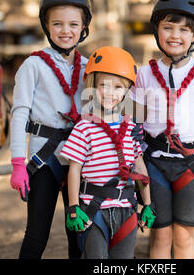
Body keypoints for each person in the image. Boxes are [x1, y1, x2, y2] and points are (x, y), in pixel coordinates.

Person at [130, 0, 194, 259]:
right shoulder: (144, 74)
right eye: (168, 27)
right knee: (160, 235)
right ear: (156, 30)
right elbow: (134, 123)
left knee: (184, 237)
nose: (175, 35)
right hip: (154, 164)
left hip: (191, 165)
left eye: (184, 29)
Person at [9, 0, 92, 259]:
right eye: (57, 24)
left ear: (83, 27)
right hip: (43, 161)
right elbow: (20, 112)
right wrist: (18, 163)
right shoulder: (33, 66)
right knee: (36, 235)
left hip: (79, 161)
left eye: (73, 24)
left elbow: (107, 107)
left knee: (79, 235)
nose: (65, 30)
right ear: (46, 26)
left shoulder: (90, 67)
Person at [59, 46, 156, 259]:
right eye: (104, 85)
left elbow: (139, 167)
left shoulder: (131, 128)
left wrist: (147, 204)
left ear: (127, 91)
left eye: (118, 87)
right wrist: (73, 207)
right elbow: (74, 170)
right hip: (93, 211)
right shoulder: (84, 128)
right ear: (92, 86)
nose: (110, 92)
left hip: (127, 209)